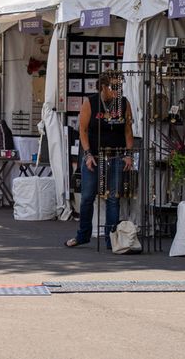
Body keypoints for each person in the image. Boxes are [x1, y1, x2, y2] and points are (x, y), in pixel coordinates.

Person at [66, 71, 134, 249]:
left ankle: (111, 239)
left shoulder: (124, 103)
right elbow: (82, 130)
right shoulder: (91, 102)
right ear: (103, 86)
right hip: (95, 156)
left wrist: (129, 154)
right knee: (87, 197)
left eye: (120, 87)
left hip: (116, 155)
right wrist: (87, 154)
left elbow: (128, 130)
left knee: (114, 198)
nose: (118, 91)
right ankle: (83, 235)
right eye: (114, 87)